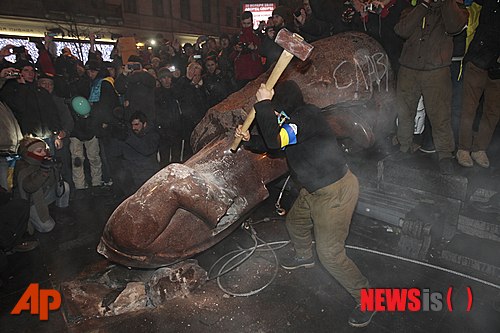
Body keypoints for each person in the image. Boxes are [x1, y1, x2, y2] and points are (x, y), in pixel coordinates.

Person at [235, 81, 374, 328]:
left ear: (285, 107)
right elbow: (275, 144)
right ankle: (303, 256)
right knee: (295, 222)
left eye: (277, 111)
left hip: (335, 192)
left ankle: (367, 298)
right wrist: (249, 140)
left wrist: (264, 104)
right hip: (313, 189)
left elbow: (277, 141)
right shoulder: (291, 121)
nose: (274, 116)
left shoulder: (307, 116)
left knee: (330, 254)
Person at [394, 0, 468, 174]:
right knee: (404, 112)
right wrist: (424, 5)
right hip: (408, 68)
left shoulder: (456, 9)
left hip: (436, 71)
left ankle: (444, 154)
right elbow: (401, 30)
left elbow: (454, 26)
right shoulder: (412, 9)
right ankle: (404, 147)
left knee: (440, 114)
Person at [456, 0, 500, 168]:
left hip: (497, 66)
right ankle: (463, 148)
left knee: (493, 111)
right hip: (479, 58)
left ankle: (480, 148)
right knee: (469, 107)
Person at [13, 137, 70, 233]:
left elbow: (54, 182)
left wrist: (56, 168)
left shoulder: (42, 161)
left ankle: (59, 213)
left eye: (45, 150)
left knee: (64, 186)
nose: (44, 153)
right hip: (30, 201)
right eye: (39, 151)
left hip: (44, 194)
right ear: (28, 153)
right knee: (47, 227)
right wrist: (43, 171)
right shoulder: (23, 167)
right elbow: (29, 187)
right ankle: (30, 219)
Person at [119, 111, 160, 195]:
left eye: (137, 125)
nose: (134, 128)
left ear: (144, 124)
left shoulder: (153, 135)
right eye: (132, 125)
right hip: (132, 174)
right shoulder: (130, 134)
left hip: (146, 174)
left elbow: (147, 150)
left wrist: (129, 138)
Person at [230, 11, 264, 90]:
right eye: (244, 24)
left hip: (255, 73)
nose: (246, 26)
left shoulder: (257, 36)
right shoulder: (236, 37)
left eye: (248, 23)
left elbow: (264, 52)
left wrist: (255, 48)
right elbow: (230, 57)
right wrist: (236, 50)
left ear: (252, 22)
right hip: (241, 74)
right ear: (241, 23)